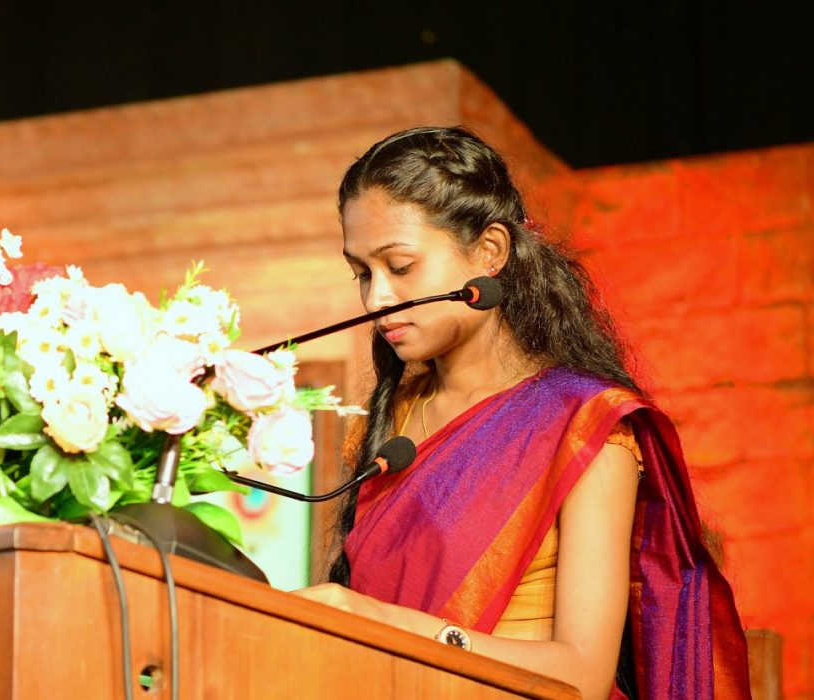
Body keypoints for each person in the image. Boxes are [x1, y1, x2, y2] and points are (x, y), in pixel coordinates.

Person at [291, 126, 750, 699]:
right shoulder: (391, 422)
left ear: (490, 252)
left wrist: (385, 625)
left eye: (400, 267)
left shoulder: (585, 426)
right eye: (362, 273)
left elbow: (581, 676)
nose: (376, 298)